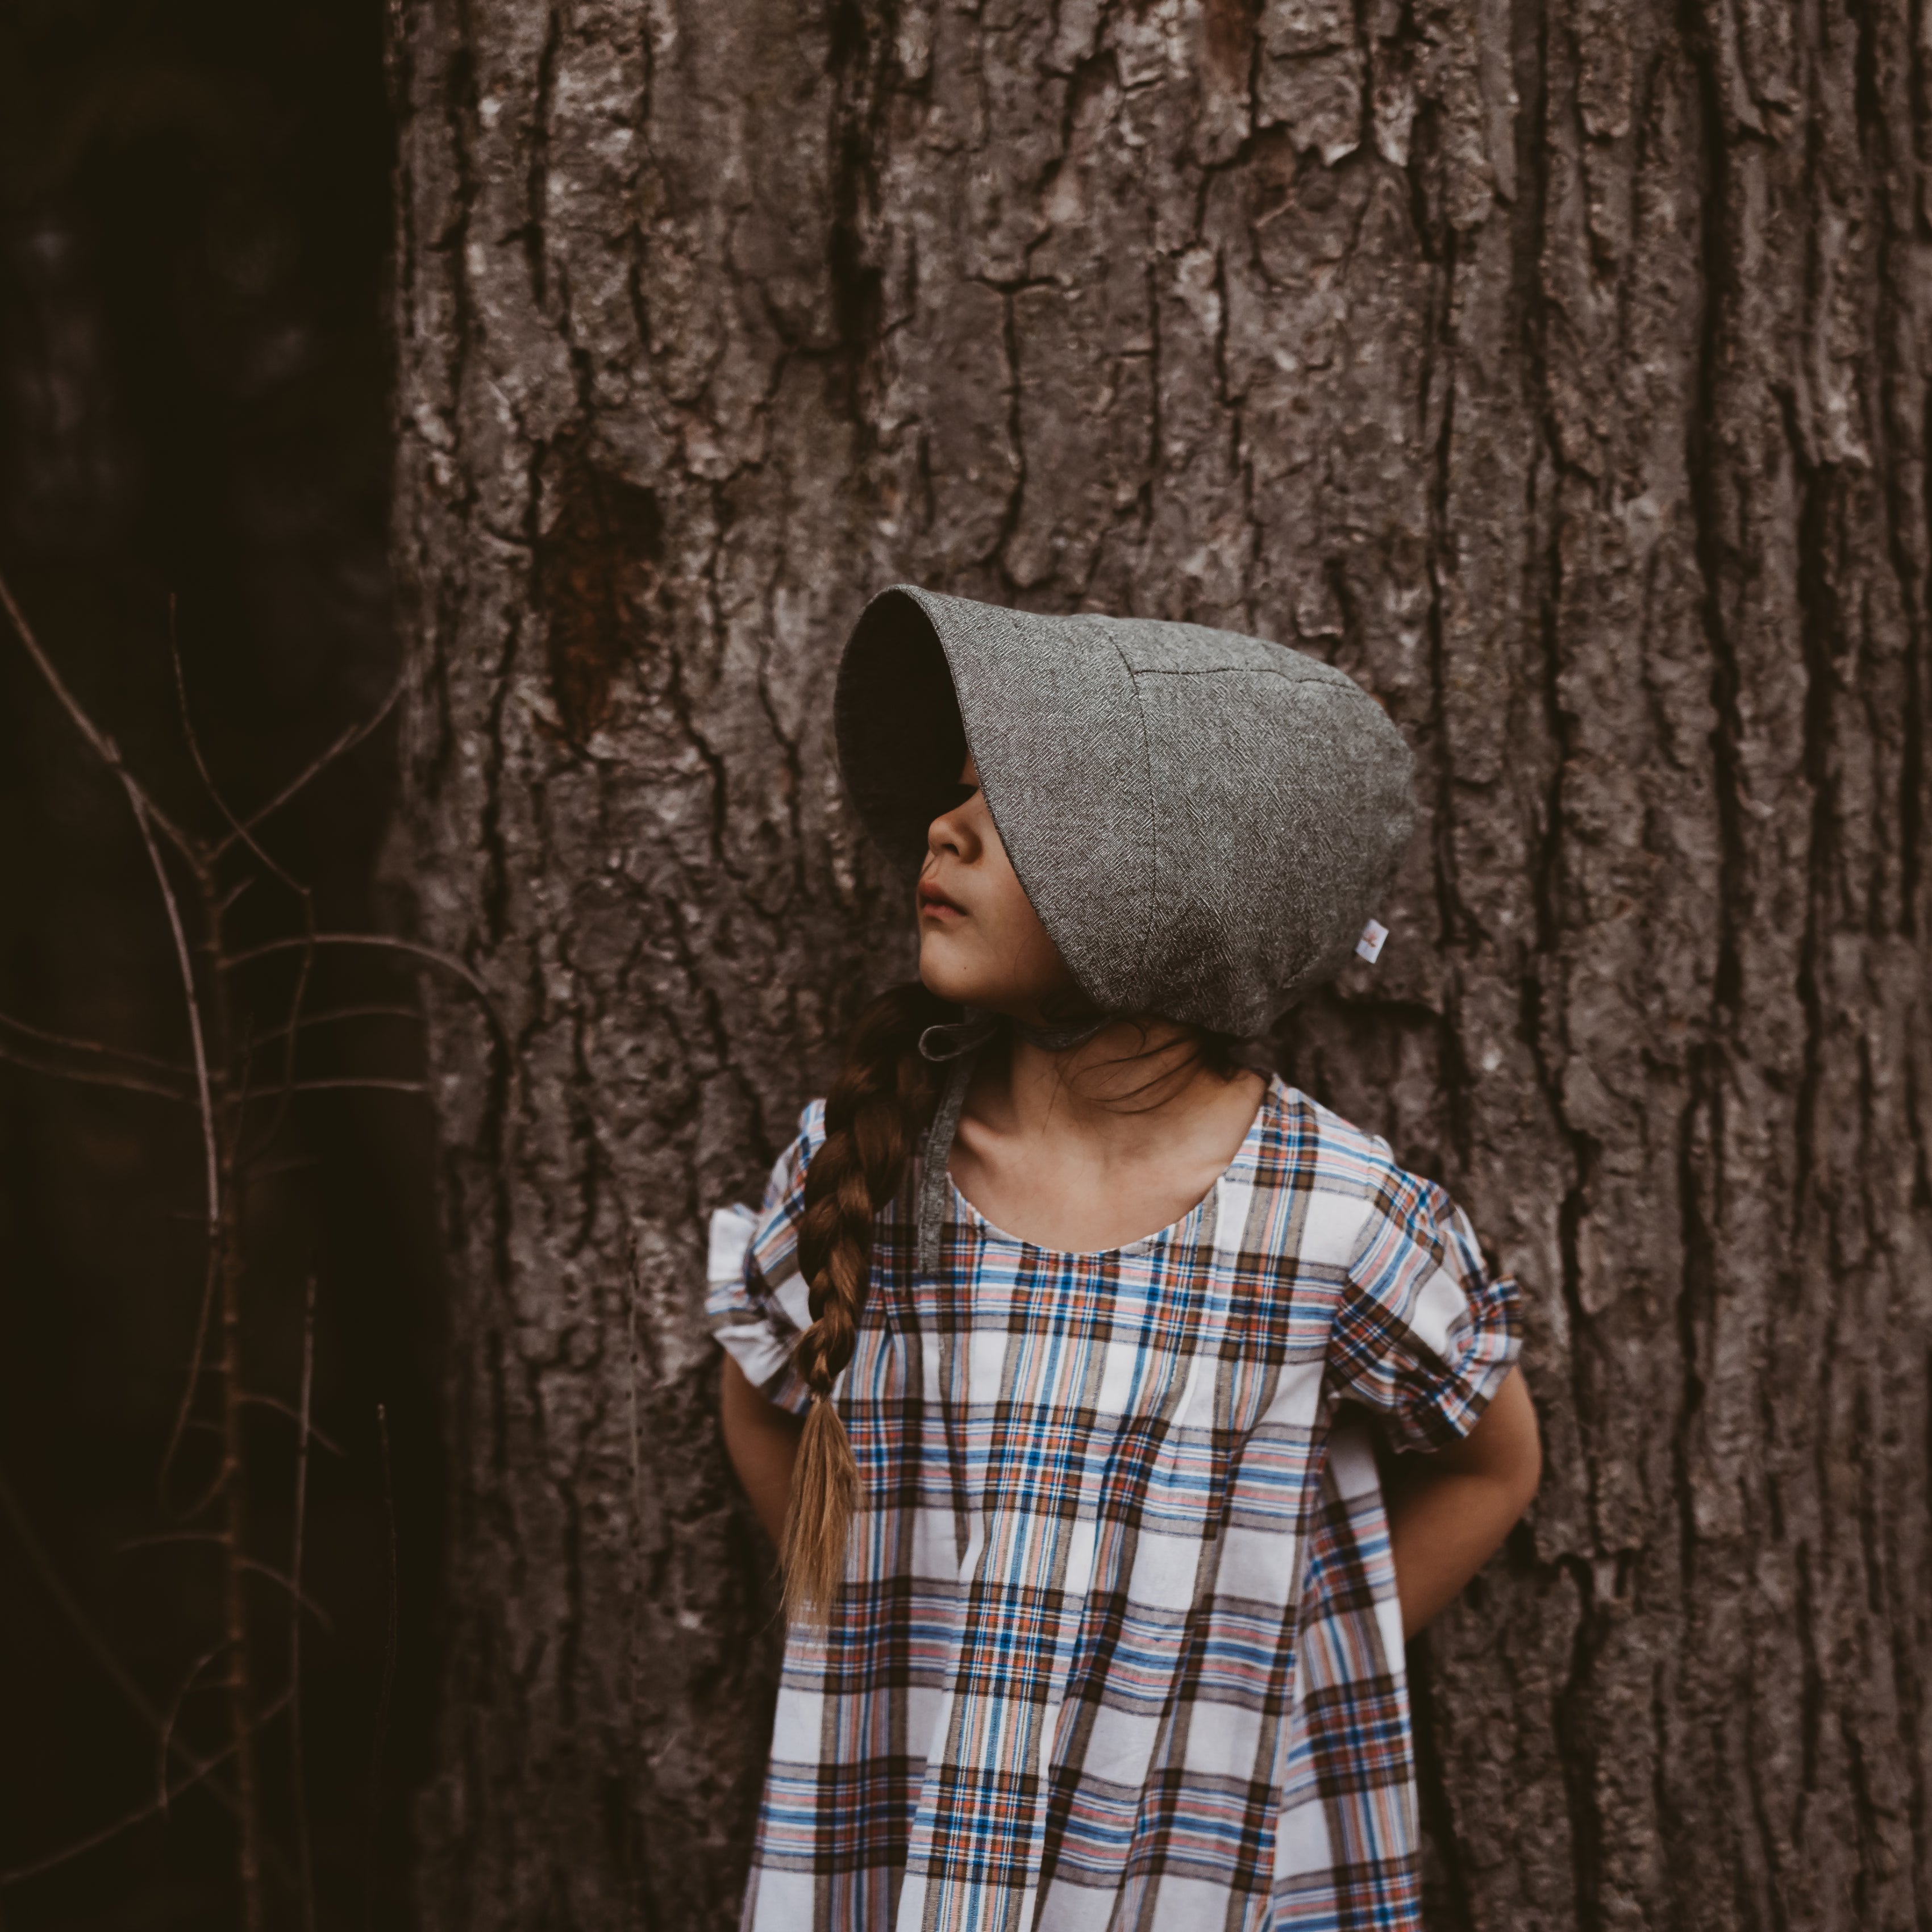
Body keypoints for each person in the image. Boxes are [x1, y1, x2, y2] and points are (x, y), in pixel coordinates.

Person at [706, 586, 1541, 1931]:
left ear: (1174, 889)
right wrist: (876, 1613)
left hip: (1181, 1872)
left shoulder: (1332, 1218)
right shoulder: (868, 1166)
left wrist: (1284, 1678)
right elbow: (760, 1396)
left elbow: (1491, 1461)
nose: (945, 828)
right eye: (954, 794)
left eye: (1011, 803)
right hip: (903, 1833)